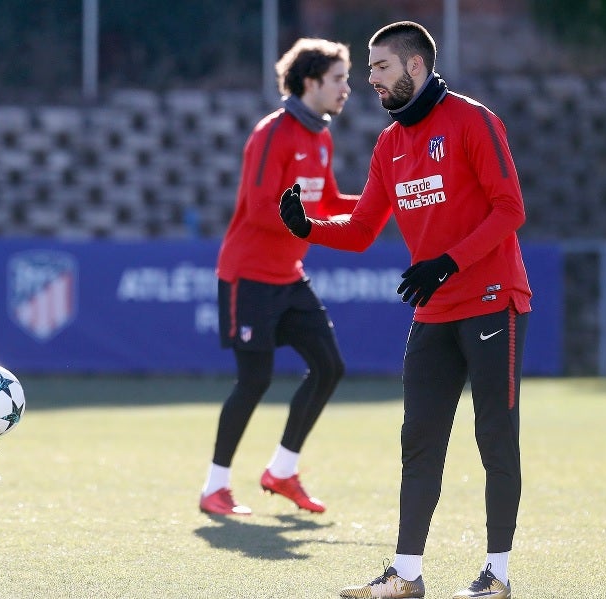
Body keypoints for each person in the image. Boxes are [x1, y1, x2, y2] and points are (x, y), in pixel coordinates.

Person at [280, 21, 530, 599]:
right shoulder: (390, 144)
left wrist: (448, 262)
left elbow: (510, 209)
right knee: (418, 441)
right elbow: (365, 227)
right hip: (435, 313)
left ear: (415, 67)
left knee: (495, 438)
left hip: (495, 303)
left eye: (381, 68)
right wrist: (308, 227)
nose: (370, 80)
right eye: (368, 70)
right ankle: (406, 575)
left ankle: (498, 574)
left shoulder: (473, 120)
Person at [199, 38, 359, 517]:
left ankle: (282, 472)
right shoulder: (273, 133)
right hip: (248, 276)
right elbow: (261, 207)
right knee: (255, 380)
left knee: (330, 367)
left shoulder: (322, 136)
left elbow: (327, 202)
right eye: (338, 79)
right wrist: (309, 221)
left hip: (289, 276)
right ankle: (214, 487)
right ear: (310, 82)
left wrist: (385, 202)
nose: (346, 88)